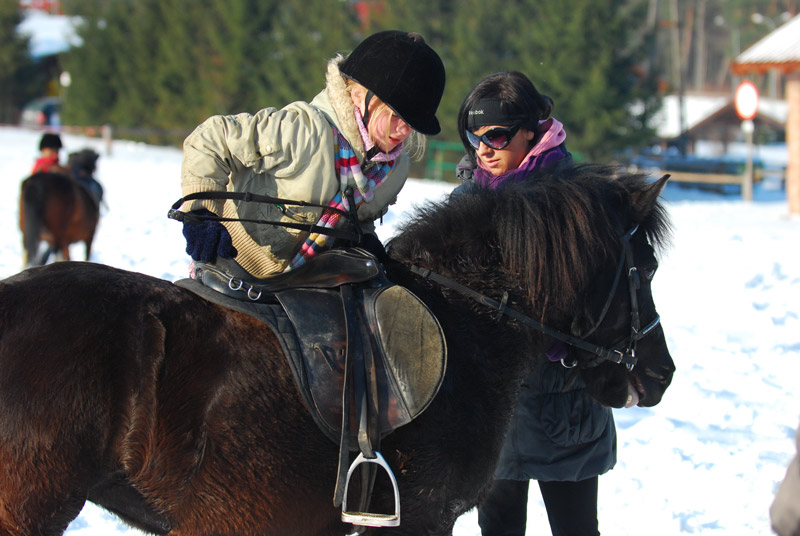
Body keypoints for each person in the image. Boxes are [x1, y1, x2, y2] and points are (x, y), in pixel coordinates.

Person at [454, 71, 618, 536]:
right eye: (473, 137)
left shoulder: (577, 200)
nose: (483, 149)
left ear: (531, 130)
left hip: (566, 411)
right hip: (498, 411)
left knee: (576, 529)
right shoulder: (467, 199)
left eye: (496, 136)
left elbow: (603, 303)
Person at [178, 30, 445, 278]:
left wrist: (364, 240)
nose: (404, 130)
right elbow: (210, 138)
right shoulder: (302, 130)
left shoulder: (395, 169)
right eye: (396, 116)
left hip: (308, 283)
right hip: (232, 268)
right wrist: (202, 215)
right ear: (360, 95)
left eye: (413, 124)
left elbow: (358, 220)